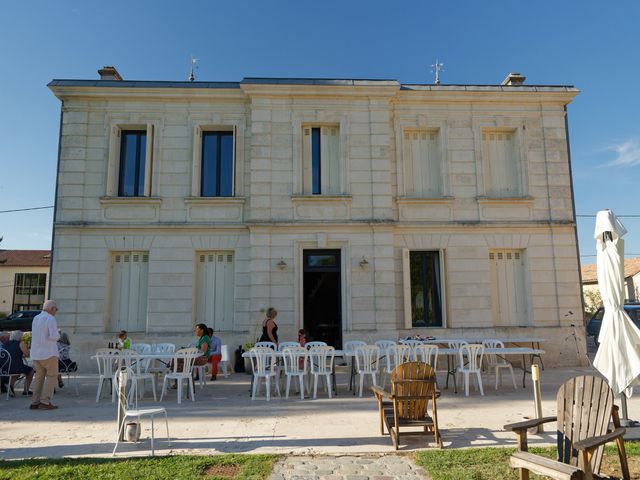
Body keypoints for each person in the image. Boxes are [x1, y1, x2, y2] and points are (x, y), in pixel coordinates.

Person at [30, 300, 60, 410]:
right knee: (52, 377)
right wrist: (58, 334)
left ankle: (35, 401)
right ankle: (45, 401)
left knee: (39, 378)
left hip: (36, 353)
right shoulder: (50, 318)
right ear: (52, 309)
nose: (56, 312)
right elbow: (54, 336)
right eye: (56, 309)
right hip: (48, 353)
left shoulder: (36, 318)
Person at [4, 330, 34, 397]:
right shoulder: (20, 343)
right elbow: (27, 354)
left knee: (17, 371)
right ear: (20, 337)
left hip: (4, 368)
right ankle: (26, 390)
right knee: (31, 370)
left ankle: (11, 386)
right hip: (15, 367)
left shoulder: (6, 343)